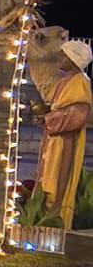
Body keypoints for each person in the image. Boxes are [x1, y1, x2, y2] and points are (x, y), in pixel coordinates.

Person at [34, 40, 92, 226]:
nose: (59, 58)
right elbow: (61, 108)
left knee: (59, 181)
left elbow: (77, 114)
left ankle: (55, 221)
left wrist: (49, 118)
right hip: (54, 140)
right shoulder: (66, 80)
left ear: (74, 59)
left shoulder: (80, 81)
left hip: (65, 142)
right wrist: (46, 112)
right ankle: (41, 218)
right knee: (47, 178)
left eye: (64, 55)